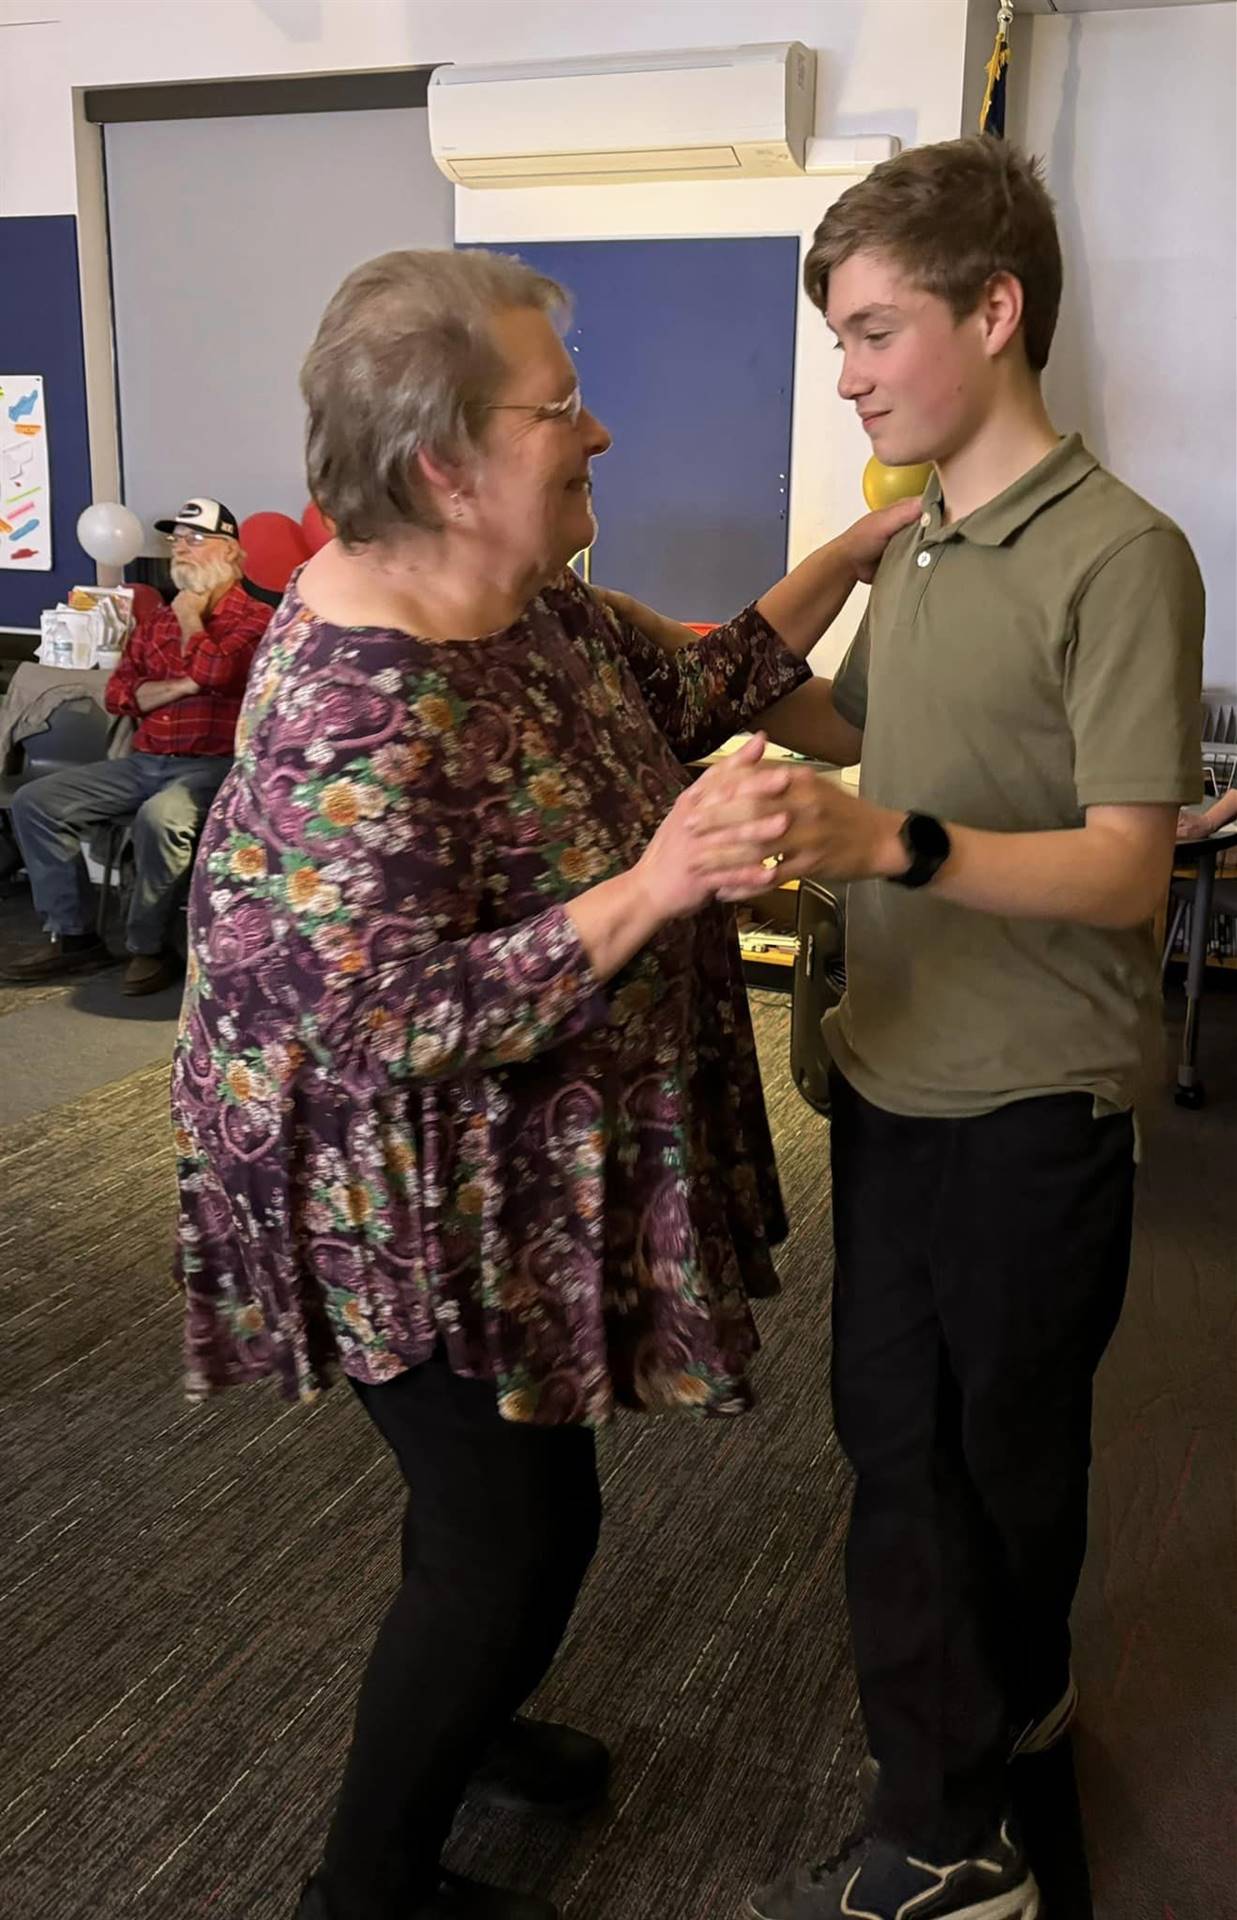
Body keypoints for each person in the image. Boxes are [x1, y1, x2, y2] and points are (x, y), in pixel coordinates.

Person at [170, 248, 914, 1920]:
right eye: (559, 405)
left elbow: (698, 683)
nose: (598, 433)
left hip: (488, 1168)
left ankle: (469, 1713)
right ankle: (365, 1880)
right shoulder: (354, 708)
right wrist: (654, 887)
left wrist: (855, 554)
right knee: (510, 1536)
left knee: (504, 1516)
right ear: (444, 463)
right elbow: (376, 1025)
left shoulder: (525, 601)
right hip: (387, 1198)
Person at [624, 138, 1205, 1920]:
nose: (850, 372)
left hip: (1029, 1101)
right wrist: (630, 640)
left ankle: (949, 1848)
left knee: (977, 1464)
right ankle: (990, 1747)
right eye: (838, 340)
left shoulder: (1122, 556)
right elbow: (826, 714)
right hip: (886, 1070)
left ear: (995, 308)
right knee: (913, 1449)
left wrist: (888, 838)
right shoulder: (933, 536)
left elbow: (1124, 873)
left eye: (873, 332)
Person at [0, 497, 270, 995]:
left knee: (160, 818)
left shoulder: (255, 619)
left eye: (195, 539)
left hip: (213, 768)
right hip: (145, 761)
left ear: (230, 552)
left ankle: (149, 946)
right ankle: (75, 937)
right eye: (176, 540)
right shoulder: (156, 624)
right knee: (36, 803)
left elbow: (218, 671)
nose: (181, 550)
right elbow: (120, 694)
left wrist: (191, 618)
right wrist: (183, 685)